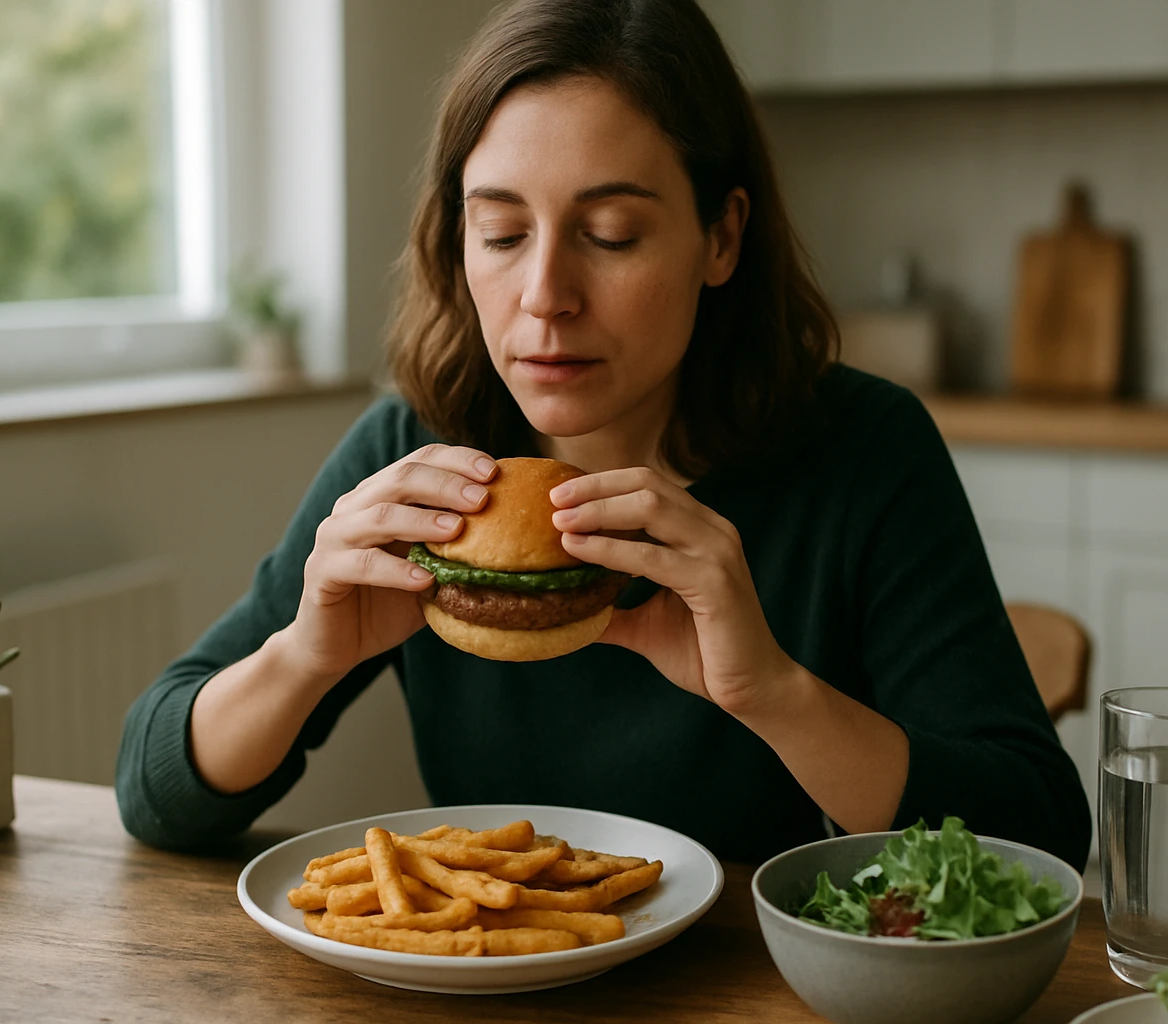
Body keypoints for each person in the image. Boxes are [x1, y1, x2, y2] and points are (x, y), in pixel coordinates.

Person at [116, 0, 1090, 869]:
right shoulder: (414, 458)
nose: (544, 298)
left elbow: (1037, 835)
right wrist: (304, 656)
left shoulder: (863, 451)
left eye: (612, 234)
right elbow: (154, 790)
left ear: (721, 237)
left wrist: (773, 693)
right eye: (501, 234)